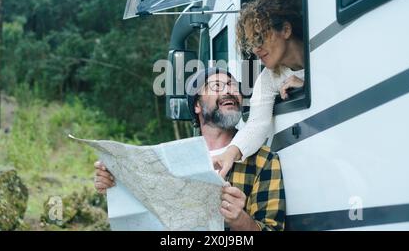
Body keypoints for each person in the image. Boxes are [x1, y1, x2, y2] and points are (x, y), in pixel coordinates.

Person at [95, 67, 286, 231]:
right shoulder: (170, 159)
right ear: (197, 105)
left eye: (233, 86)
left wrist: (241, 221)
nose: (229, 91)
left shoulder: (263, 159)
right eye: (217, 86)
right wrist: (114, 186)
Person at [212, 0, 305, 178]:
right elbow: (257, 123)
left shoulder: (321, 48)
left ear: (286, 30)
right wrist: (230, 153)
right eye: (252, 42)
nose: (255, 49)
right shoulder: (268, 77)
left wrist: (307, 84)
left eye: (260, 38)